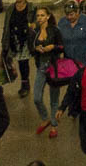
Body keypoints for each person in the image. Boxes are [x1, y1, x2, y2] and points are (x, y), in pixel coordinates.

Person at [29, 8, 63, 139]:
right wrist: (36, 49)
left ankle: (54, 125)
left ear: (48, 16)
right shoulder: (34, 32)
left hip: (54, 66)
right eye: (38, 16)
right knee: (37, 97)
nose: (40, 18)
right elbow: (31, 48)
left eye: (42, 15)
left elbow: (61, 46)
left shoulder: (55, 30)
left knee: (54, 99)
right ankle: (45, 117)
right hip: (41, 66)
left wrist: (52, 47)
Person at [1, 0, 34, 98]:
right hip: (14, 39)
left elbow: (36, 22)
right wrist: (4, 42)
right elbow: (6, 26)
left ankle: (25, 84)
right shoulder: (11, 8)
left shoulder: (31, 7)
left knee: (23, 62)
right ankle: (24, 83)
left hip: (25, 39)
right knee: (17, 61)